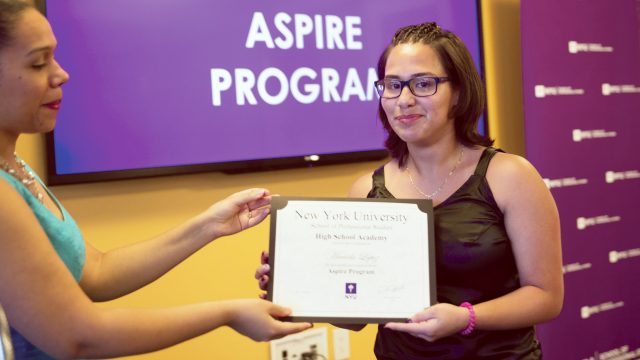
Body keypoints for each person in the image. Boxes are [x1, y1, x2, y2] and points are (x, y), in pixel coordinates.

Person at [0, 1, 311, 359]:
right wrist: (228, 313)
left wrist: (209, 225)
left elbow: (95, 273)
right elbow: (81, 337)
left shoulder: (16, 167)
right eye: (39, 62)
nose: (61, 74)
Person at [256, 22, 563, 359]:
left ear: (458, 92)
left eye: (423, 84)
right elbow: (356, 316)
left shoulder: (510, 176)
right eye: (392, 85)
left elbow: (546, 296)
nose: (404, 100)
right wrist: (293, 281)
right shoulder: (366, 191)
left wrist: (465, 318)